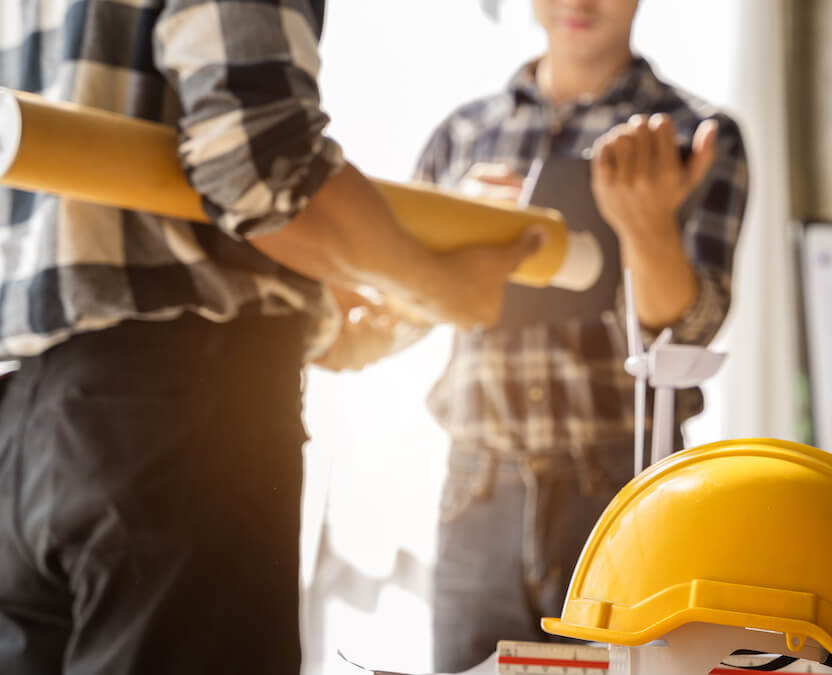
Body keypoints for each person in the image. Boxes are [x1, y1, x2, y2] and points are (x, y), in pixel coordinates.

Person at [0, 1, 536, 673]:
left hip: (29, 421)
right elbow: (257, 165)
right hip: (176, 420)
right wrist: (437, 284)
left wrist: (317, 301)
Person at [401, 1, 750, 670]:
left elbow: (685, 336)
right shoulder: (463, 133)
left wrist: (644, 225)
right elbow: (404, 305)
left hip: (625, 491)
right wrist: (447, 231)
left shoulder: (697, 136)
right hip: (477, 493)